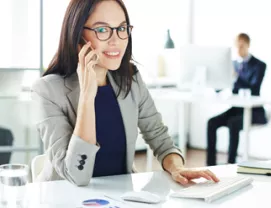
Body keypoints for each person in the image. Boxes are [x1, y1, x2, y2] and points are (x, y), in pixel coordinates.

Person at [32, 0, 219, 186]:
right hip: (63, 199)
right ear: (77, 35)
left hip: (120, 197)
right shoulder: (47, 91)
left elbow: (161, 140)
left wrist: (176, 167)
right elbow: (76, 176)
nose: (116, 41)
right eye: (103, 30)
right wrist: (87, 97)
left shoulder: (131, 80)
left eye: (121, 29)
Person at [206, 33, 267, 166]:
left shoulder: (259, 65)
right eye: (237, 46)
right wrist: (214, 78)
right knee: (212, 122)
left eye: (242, 46)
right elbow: (220, 87)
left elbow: (254, 88)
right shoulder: (232, 64)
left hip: (254, 111)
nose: (239, 49)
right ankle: (210, 164)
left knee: (233, 123)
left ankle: (230, 164)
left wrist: (235, 77)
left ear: (248, 45)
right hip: (236, 109)